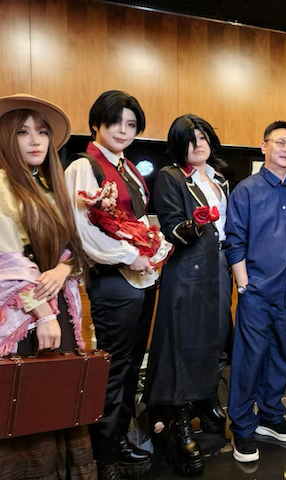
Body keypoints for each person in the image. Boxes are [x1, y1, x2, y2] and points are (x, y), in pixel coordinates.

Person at [65, 91, 170, 480]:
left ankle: (119, 439)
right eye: (115, 122)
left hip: (142, 278)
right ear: (96, 123)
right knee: (113, 368)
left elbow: (137, 220)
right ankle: (103, 452)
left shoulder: (127, 167)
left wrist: (153, 247)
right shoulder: (84, 166)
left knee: (129, 365)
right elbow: (82, 232)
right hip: (114, 279)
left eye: (131, 124)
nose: (123, 131)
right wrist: (129, 255)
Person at [0, 94, 95, 478]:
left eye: (41, 132)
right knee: (23, 403)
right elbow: (6, 261)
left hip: (55, 305)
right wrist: (42, 314)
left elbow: (71, 248)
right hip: (24, 315)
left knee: (57, 399)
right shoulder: (2, 185)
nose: (35, 140)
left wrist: (61, 268)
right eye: (22, 132)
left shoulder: (46, 189)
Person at [143, 114, 230, 475]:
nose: (199, 144)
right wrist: (196, 223)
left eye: (203, 137)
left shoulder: (220, 178)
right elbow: (171, 230)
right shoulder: (171, 176)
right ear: (179, 145)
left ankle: (204, 399)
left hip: (218, 267)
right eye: (190, 139)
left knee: (215, 339)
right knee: (182, 342)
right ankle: (178, 420)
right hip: (187, 271)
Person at [224, 121, 286, 463]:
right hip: (256, 293)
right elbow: (234, 240)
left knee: (282, 358)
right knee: (249, 361)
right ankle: (243, 427)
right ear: (264, 147)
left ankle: (271, 416)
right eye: (280, 142)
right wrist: (244, 285)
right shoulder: (246, 190)